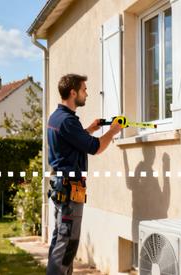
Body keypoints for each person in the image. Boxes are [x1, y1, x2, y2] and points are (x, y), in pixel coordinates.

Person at [45, 74, 123, 275]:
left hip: (62, 186)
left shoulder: (57, 117)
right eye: (84, 89)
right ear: (73, 92)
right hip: (69, 189)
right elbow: (95, 148)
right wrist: (113, 131)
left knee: (60, 242)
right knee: (67, 245)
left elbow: (71, 142)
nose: (87, 93)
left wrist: (89, 129)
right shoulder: (68, 121)